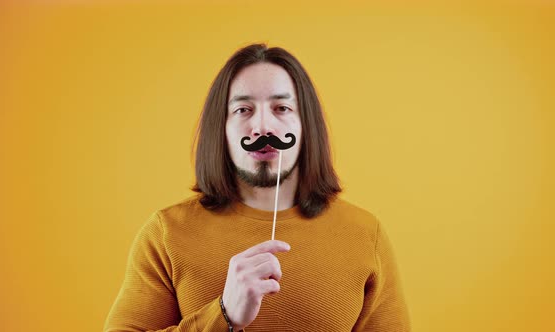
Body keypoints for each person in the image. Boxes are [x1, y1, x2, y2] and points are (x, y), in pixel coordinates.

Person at [104, 43, 411, 331]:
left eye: (281, 108)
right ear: (221, 129)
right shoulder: (166, 234)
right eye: (243, 110)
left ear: (307, 127)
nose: (263, 127)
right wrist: (224, 314)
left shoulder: (363, 235)